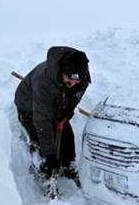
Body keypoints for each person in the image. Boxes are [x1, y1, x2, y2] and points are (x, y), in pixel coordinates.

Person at [14, 46, 90, 192]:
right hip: (29, 106)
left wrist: (68, 111)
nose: (73, 84)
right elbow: (41, 120)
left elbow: (75, 95)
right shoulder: (44, 82)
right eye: (69, 81)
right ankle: (46, 169)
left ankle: (68, 163)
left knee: (66, 133)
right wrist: (50, 155)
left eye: (77, 81)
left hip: (55, 102)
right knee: (41, 139)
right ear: (61, 73)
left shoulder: (82, 77)